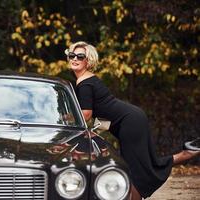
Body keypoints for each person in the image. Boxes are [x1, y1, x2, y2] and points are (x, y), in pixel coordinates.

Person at [65, 41, 200, 200]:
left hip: (130, 121)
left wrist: (66, 119)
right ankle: (189, 152)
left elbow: (86, 114)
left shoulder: (84, 84)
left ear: (88, 60)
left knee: (134, 168)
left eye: (80, 56)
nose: (75, 59)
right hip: (132, 119)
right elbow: (100, 113)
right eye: (72, 55)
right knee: (142, 164)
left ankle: (188, 152)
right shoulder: (88, 80)